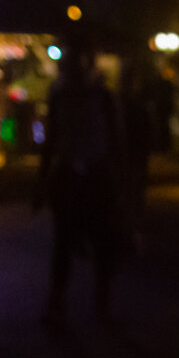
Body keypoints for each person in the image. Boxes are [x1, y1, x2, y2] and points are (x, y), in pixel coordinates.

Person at [36, 38, 129, 331]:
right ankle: (60, 302)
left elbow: (117, 143)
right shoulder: (60, 96)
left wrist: (120, 183)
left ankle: (100, 302)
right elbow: (51, 141)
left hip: (95, 174)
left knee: (102, 242)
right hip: (69, 173)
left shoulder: (103, 97)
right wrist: (42, 180)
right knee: (64, 241)